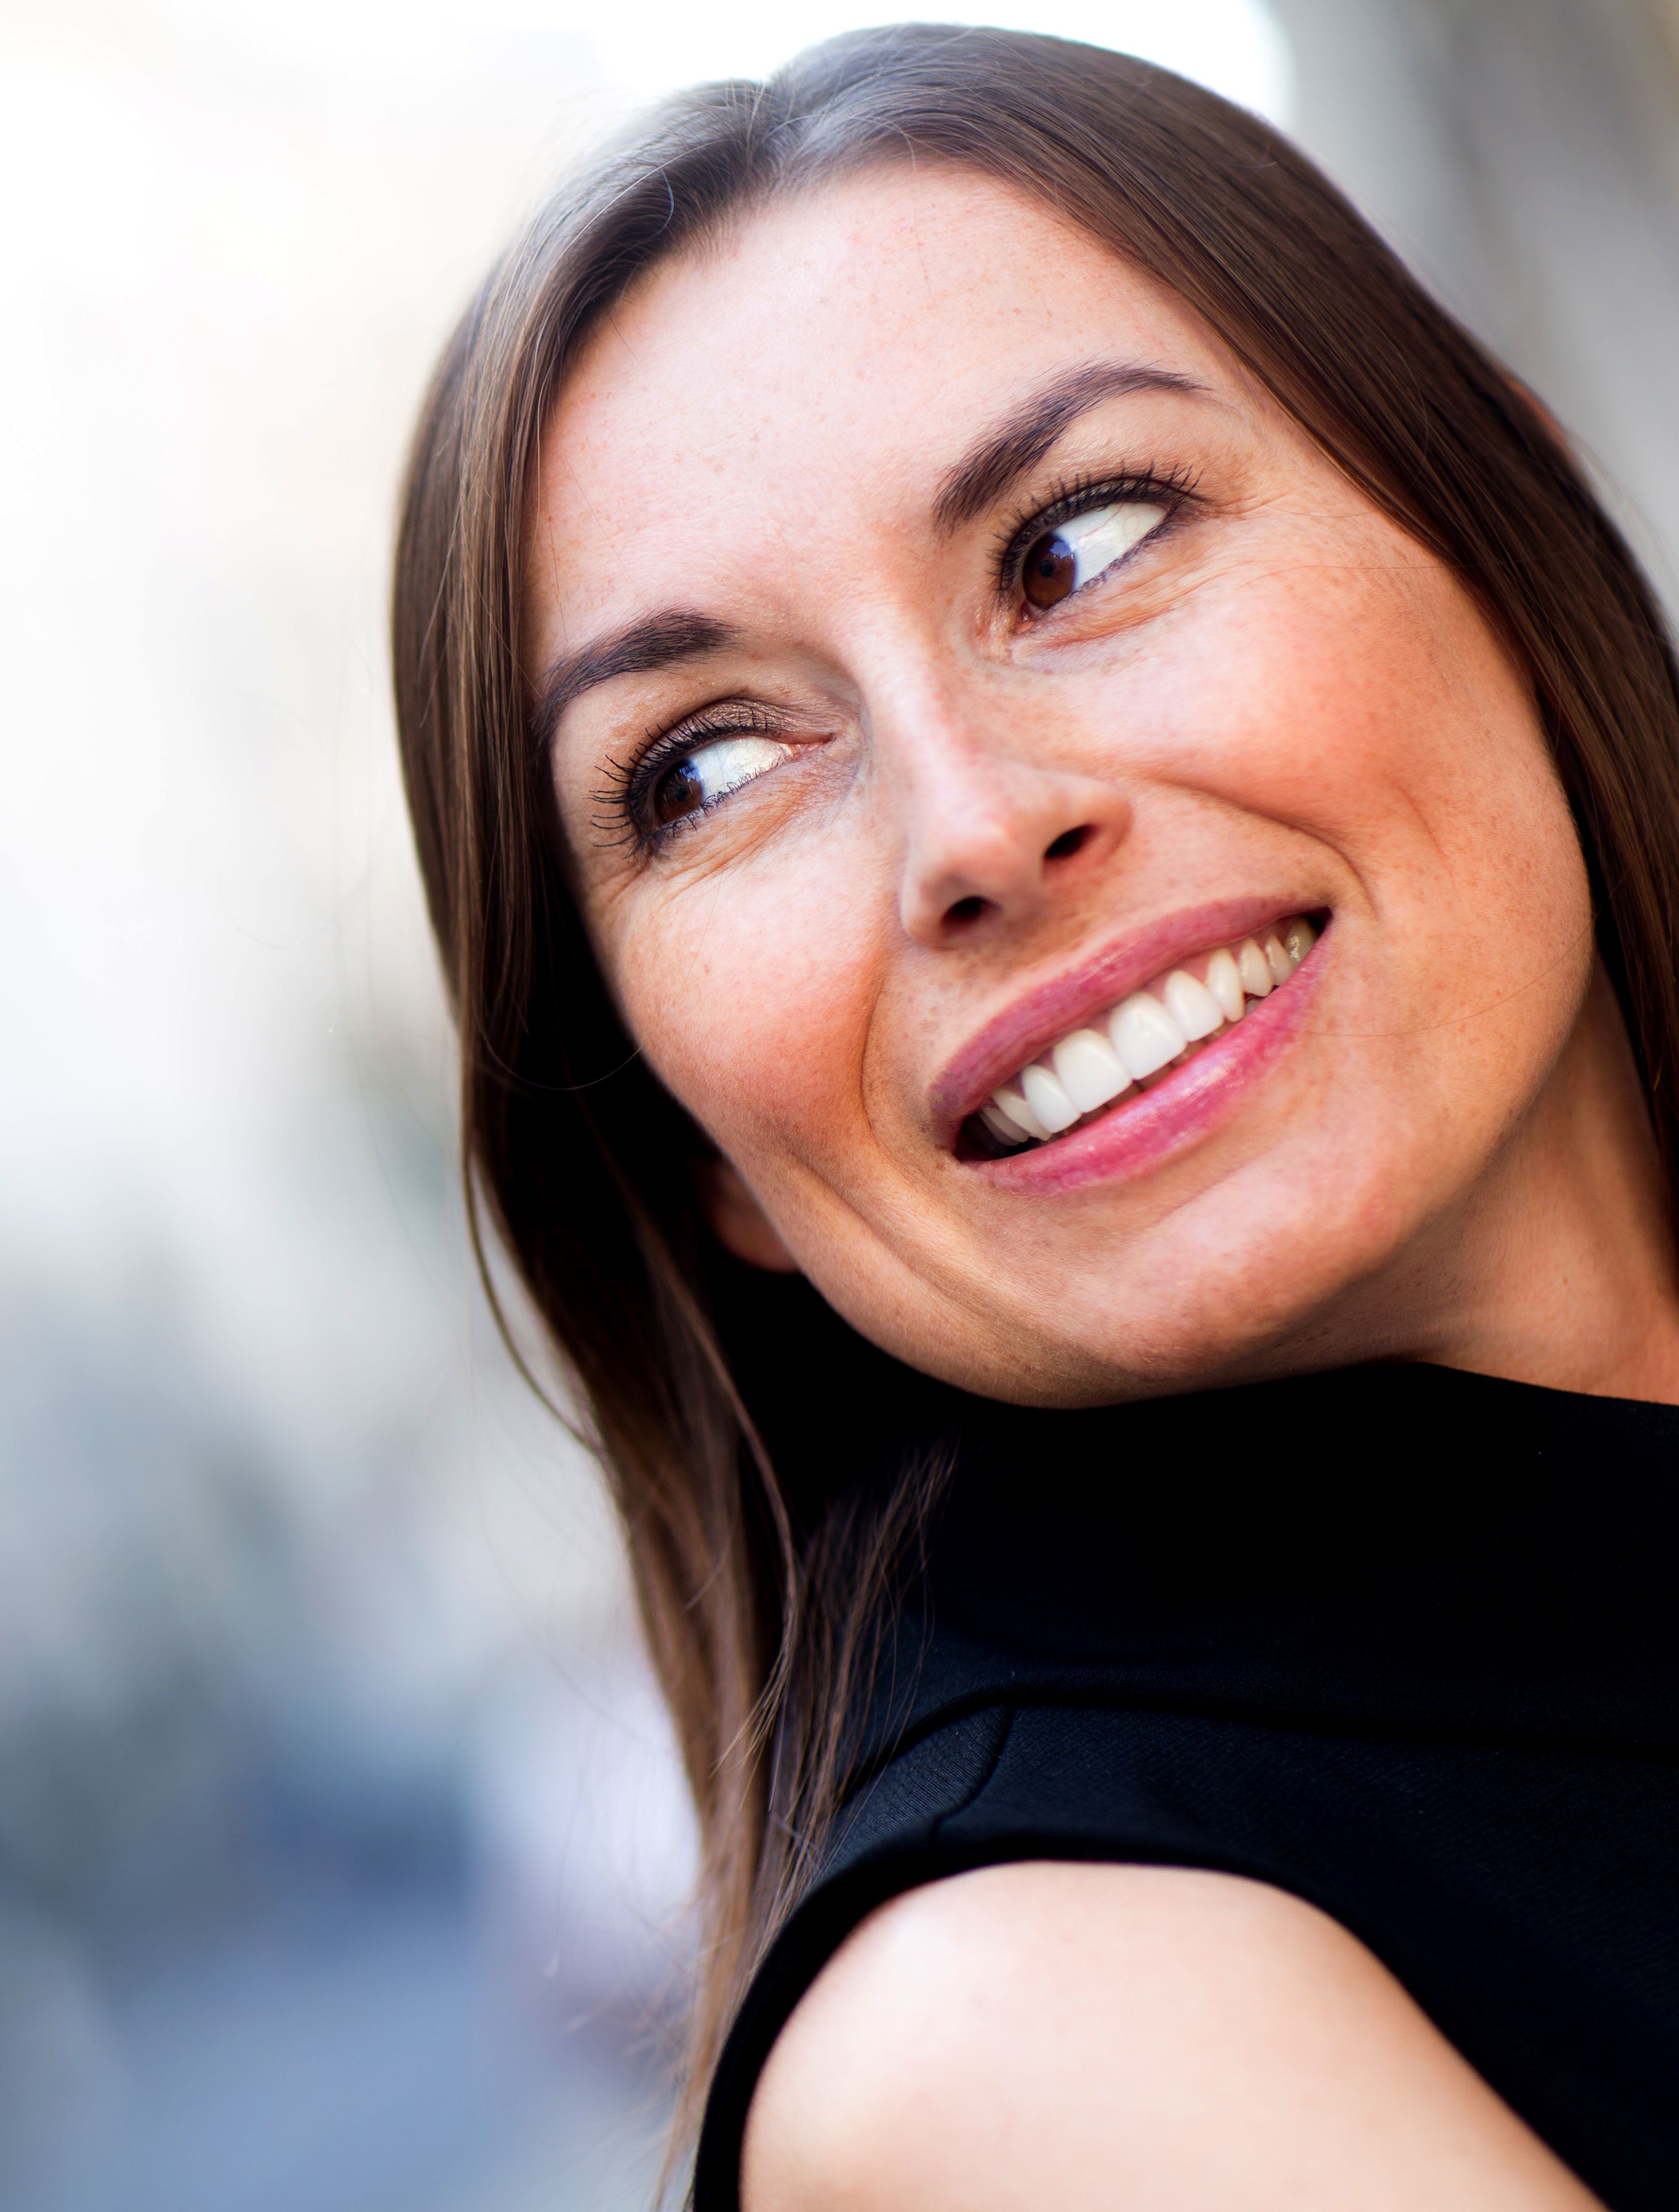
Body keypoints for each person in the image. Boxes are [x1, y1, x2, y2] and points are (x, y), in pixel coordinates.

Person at [390, 25, 1679, 2209]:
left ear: (1513, 537)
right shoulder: (1031, 2043)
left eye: (1078, 542)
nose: (969, 827)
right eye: (708, 767)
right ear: (699, 1157)